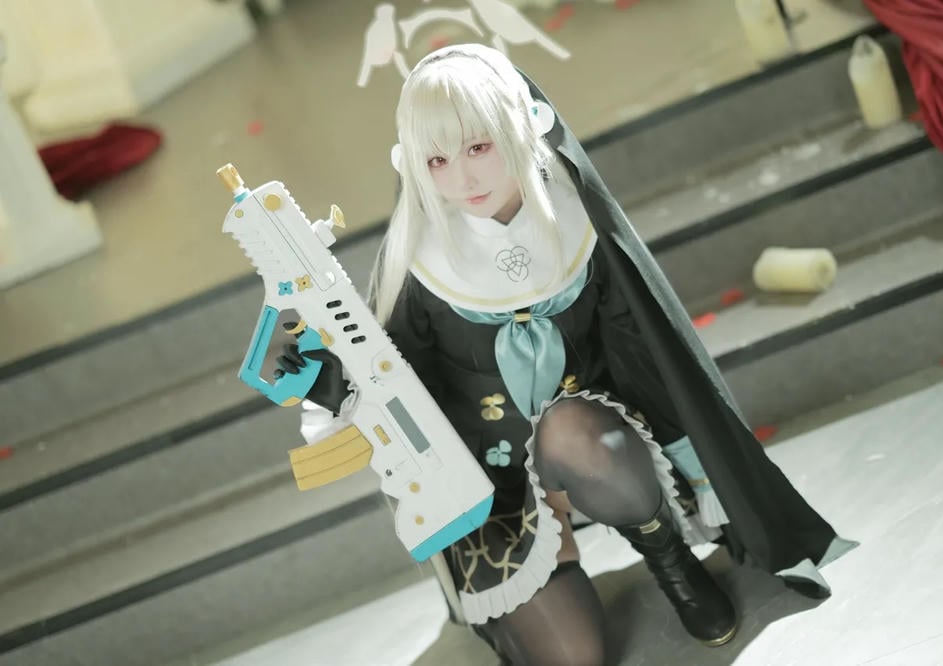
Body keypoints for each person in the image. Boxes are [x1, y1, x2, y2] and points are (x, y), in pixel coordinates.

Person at [278, 43, 856, 666]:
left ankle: (671, 560)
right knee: (575, 659)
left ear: (518, 127)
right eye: (437, 160)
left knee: (572, 429)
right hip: (494, 482)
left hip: (595, 441)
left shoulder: (577, 225)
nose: (463, 180)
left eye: (478, 147)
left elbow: (644, 356)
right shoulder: (416, 262)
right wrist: (335, 384)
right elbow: (397, 389)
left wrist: (699, 465)